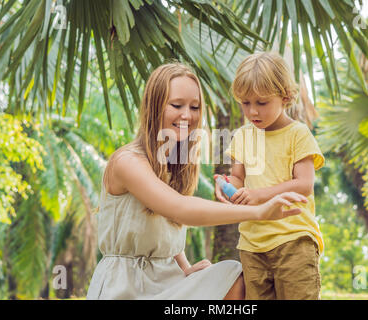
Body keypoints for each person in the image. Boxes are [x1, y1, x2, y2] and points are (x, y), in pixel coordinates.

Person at [86, 62, 308, 300]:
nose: (187, 115)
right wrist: (259, 212)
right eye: (176, 105)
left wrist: (185, 268)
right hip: (125, 288)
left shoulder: (174, 165)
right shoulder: (127, 162)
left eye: (194, 107)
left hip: (167, 280)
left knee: (235, 276)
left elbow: (165, 228)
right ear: (154, 106)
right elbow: (180, 209)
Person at [215, 52, 325, 300]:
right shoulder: (242, 136)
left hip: (294, 240)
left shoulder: (298, 134)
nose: (252, 111)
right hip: (252, 245)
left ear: (285, 97)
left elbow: (304, 184)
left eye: (262, 103)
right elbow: (238, 179)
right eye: (245, 103)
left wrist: (258, 195)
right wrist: (226, 187)